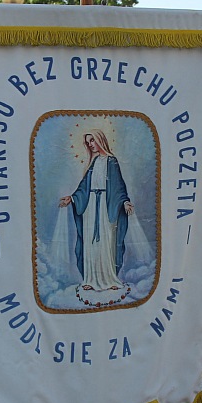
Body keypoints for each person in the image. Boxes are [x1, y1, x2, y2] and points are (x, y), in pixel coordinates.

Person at [59, 129, 134, 303]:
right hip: (90, 206)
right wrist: (72, 198)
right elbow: (83, 187)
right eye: (88, 142)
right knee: (90, 243)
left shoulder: (112, 161)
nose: (91, 144)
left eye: (92, 140)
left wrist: (124, 202)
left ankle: (110, 279)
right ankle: (91, 280)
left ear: (100, 139)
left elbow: (118, 187)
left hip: (106, 206)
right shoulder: (92, 163)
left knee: (106, 242)